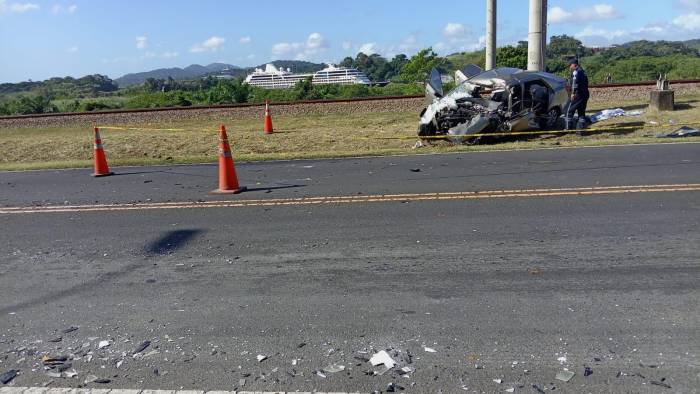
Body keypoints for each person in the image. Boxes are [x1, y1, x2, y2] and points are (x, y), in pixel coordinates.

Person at [565, 58, 590, 130]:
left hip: (577, 95)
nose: (569, 67)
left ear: (574, 64)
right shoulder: (583, 71)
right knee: (581, 112)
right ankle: (581, 129)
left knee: (568, 110)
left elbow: (575, 83)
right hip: (585, 94)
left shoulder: (576, 72)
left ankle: (568, 128)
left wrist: (573, 93)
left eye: (570, 65)